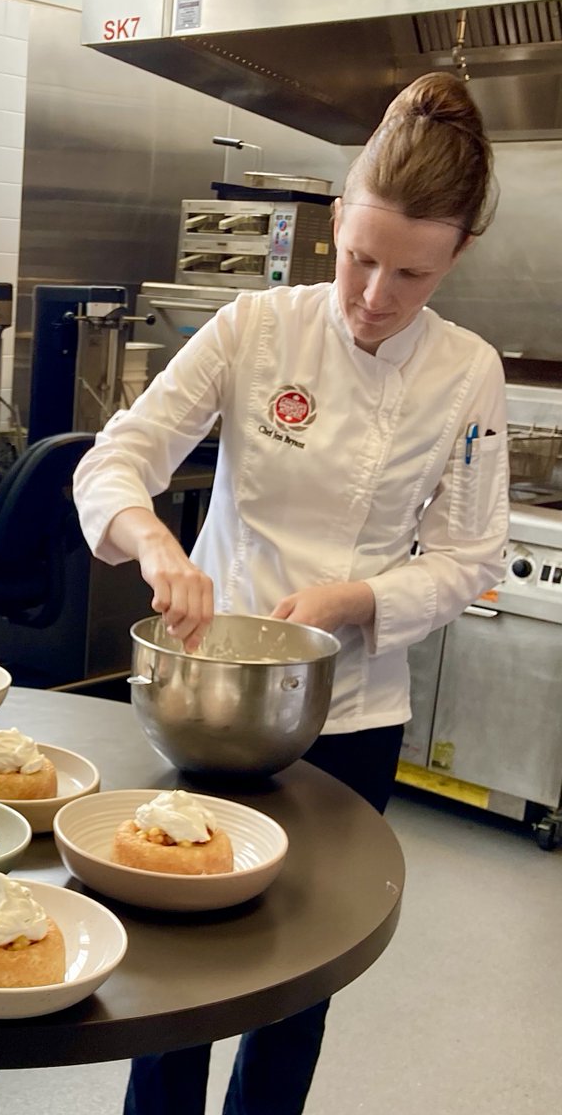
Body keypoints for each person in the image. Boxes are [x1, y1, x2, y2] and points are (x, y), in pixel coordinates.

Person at [73, 73, 509, 1115]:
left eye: (411, 274)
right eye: (360, 259)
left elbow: (468, 556)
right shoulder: (256, 328)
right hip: (210, 700)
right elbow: (113, 461)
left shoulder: (467, 374)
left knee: (294, 987)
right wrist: (155, 547)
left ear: (457, 255)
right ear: (335, 228)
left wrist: (353, 601)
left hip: (349, 712)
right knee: (178, 965)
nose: (373, 297)